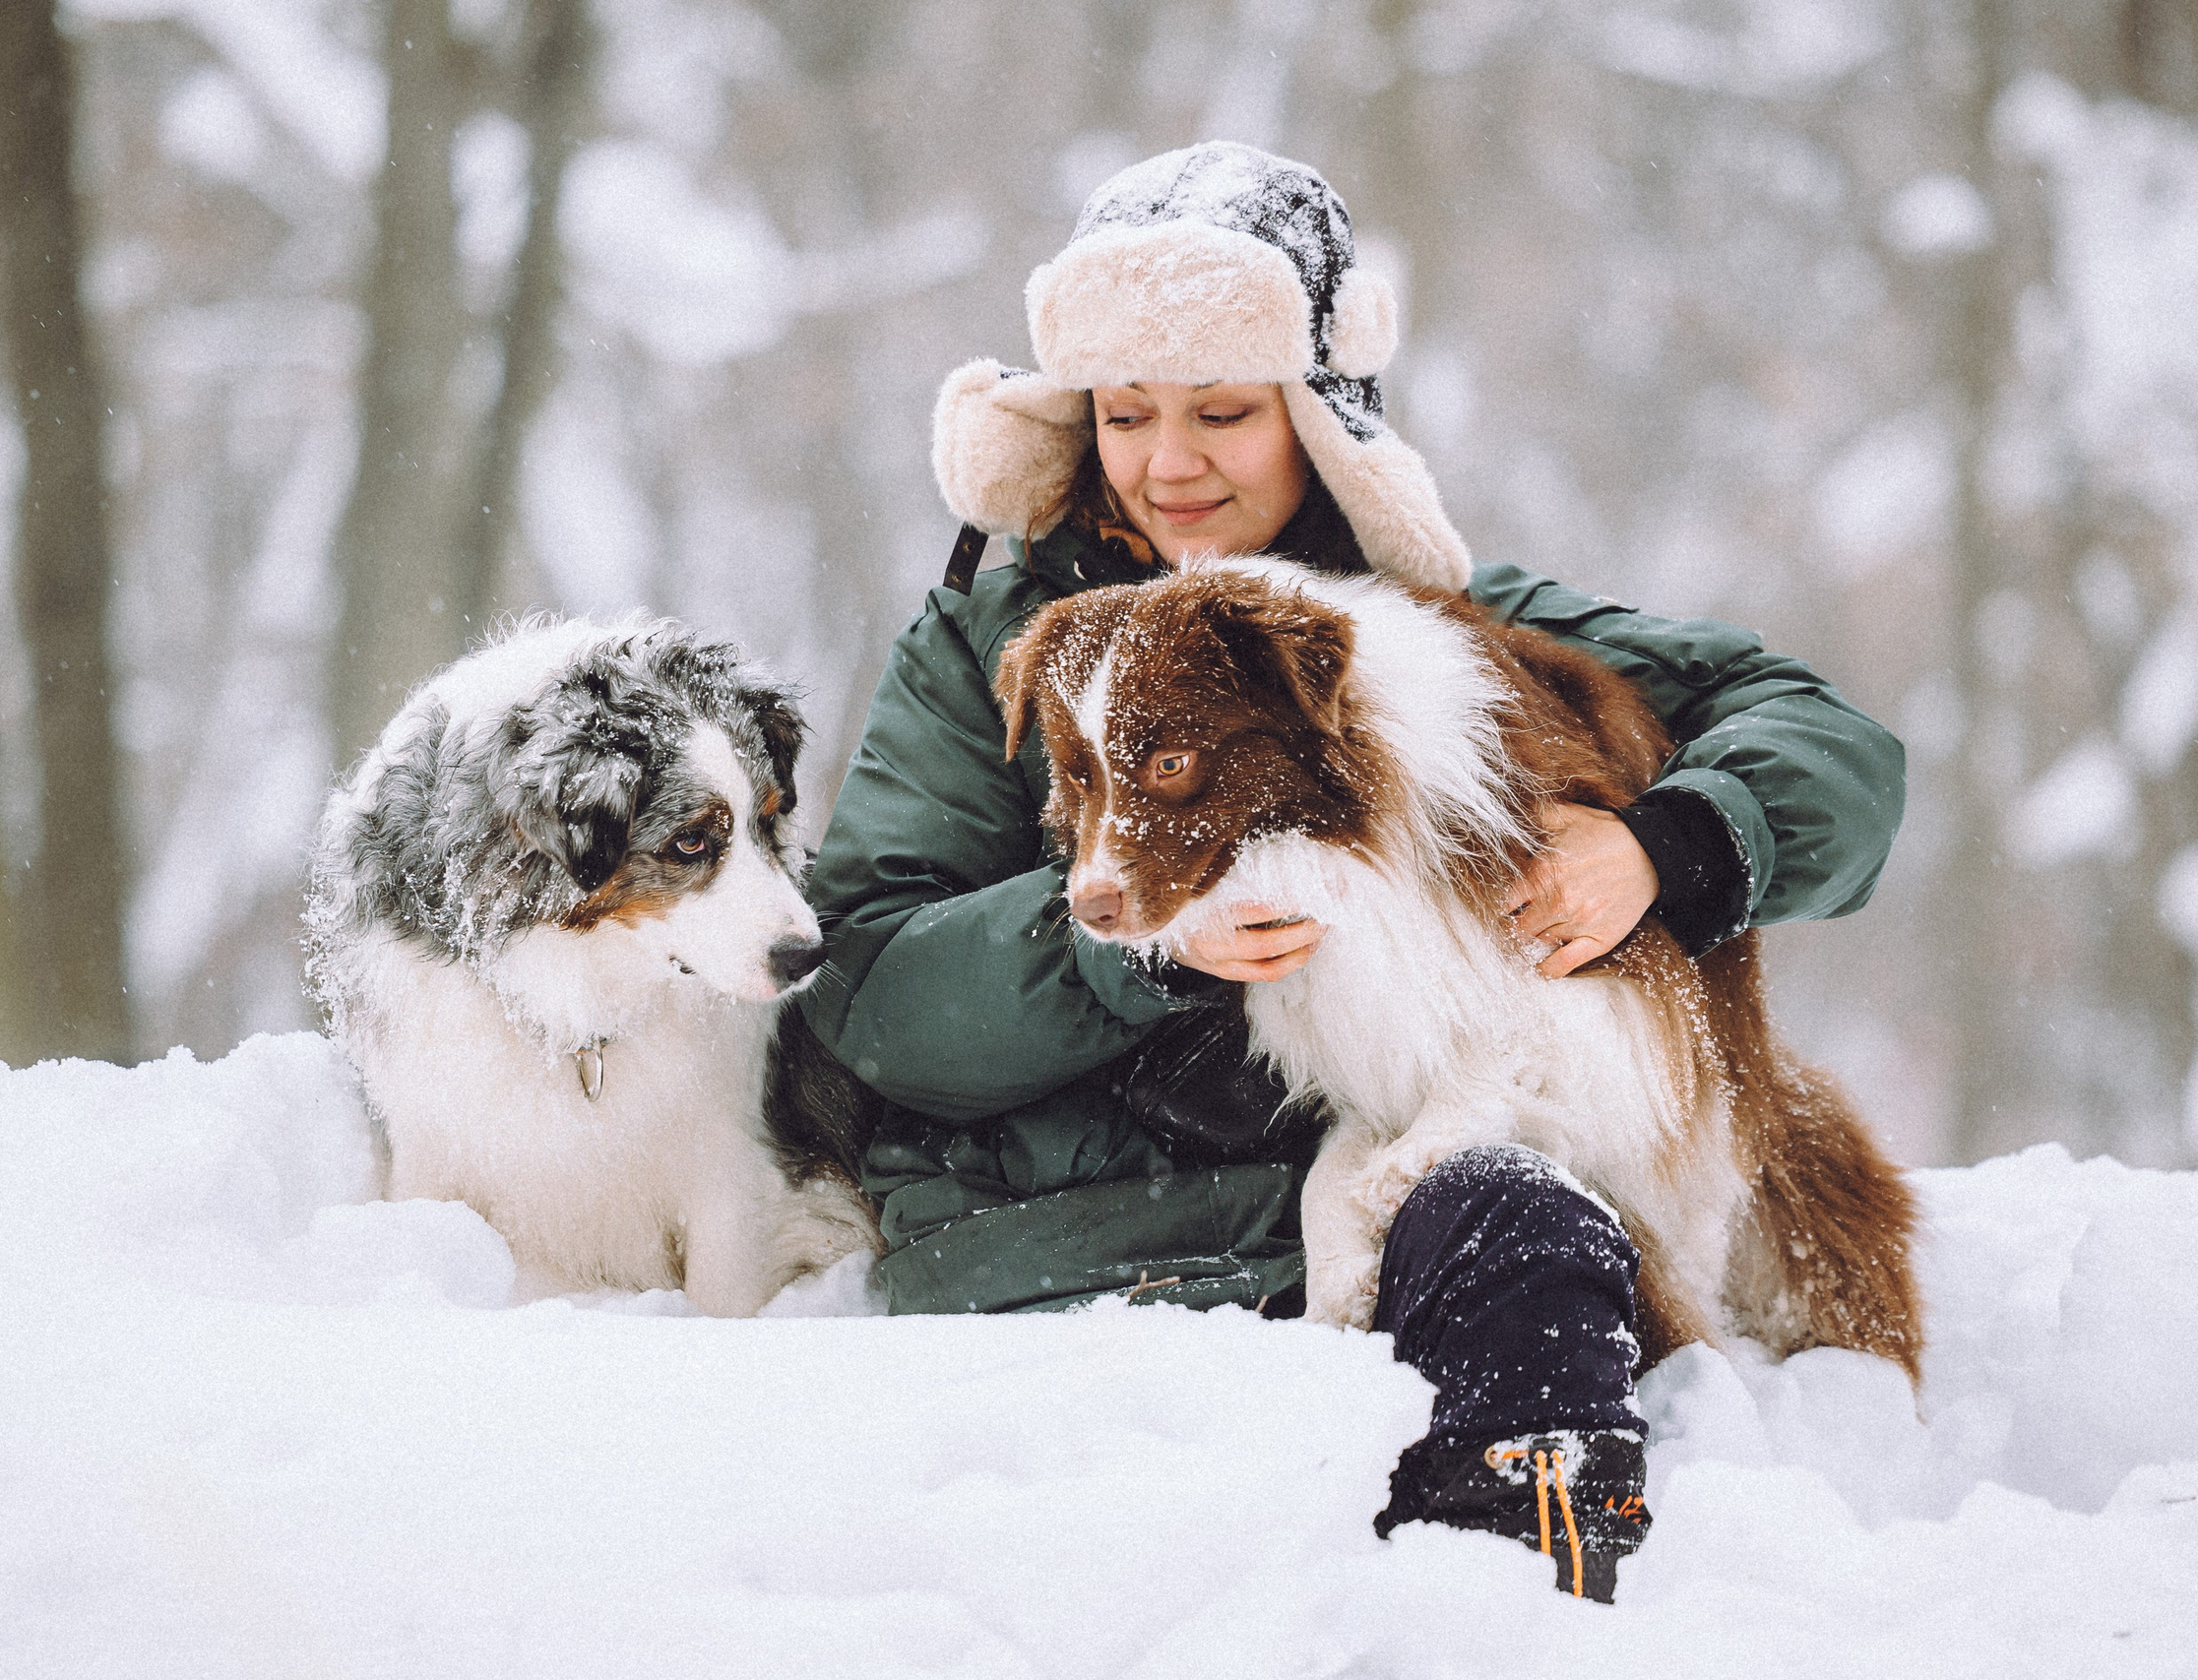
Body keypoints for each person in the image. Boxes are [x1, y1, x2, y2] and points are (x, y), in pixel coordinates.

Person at [798, 143, 1904, 1602]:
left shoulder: (1429, 623)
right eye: (1125, 412)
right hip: (1073, 1242)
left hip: (1393, 1201)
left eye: (1223, 410)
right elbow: (867, 989)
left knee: (1522, 1234)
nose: (1168, 459)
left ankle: (1535, 1616)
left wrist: (1667, 846)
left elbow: (1831, 748)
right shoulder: (986, 655)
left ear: (1317, 417)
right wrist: (1133, 955)